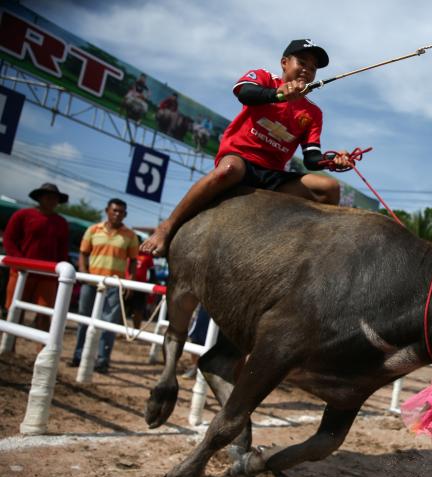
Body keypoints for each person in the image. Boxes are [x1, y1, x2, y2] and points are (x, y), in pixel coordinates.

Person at [141, 38, 351, 257]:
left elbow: (311, 157)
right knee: (229, 169)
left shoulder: (313, 113)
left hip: (273, 175)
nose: (307, 69)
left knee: (330, 188)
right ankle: (167, 227)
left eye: (313, 68)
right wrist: (279, 94)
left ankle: (311, 251)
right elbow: (244, 93)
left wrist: (333, 160)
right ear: (284, 63)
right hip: (240, 159)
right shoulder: (264, 78)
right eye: (302, 62)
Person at [71, 199, 139, 373]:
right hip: (91, 282)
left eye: (121, 212)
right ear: (107, 210)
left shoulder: (130, 235)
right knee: (84, 319)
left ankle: (102, 360)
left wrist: (129, 282)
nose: (118, 214)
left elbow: (133, 261)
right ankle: (78, 356)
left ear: (125, 215)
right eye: (115, 210)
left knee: (109, 324)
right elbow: (83, 254)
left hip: (115, 284)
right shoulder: (93, 230)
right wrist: (84, 274)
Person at [2, 183, 70, 339]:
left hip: (48, 274)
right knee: (14, 309)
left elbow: (62, 250)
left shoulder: (61, 223)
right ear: (39, 198)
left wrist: (60, 270)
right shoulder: (23, 215)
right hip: (22, 271)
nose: (52, 200)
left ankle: (42, 350)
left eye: (55, 198)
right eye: (48, 196)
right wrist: (19, 262)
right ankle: (8, 346)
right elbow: (9, 239)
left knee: (45, 312)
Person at [126, 248, 155, 329]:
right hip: (126, 284)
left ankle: (136, 330)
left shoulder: (147, 256)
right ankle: (120, 331)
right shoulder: (127, 253)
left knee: (138, 310)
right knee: (122, 308)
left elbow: (152, 273)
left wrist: (150, 288)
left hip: (140, 286)